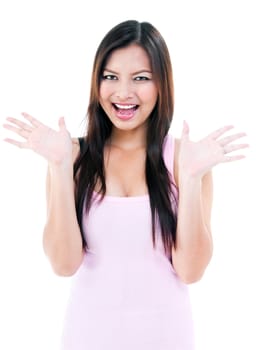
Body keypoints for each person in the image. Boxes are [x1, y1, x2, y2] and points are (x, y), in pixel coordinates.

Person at [3, 19, 248, 350]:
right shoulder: (71, 156)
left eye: (141, 79)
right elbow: (63, 264)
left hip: (168, 339)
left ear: (162, 85)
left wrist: (190, 179)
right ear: (96, 82)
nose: (123, 93)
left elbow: (190, 271)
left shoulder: (185, 159)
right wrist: (60, 167)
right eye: (110, 77)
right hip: (87, 338)